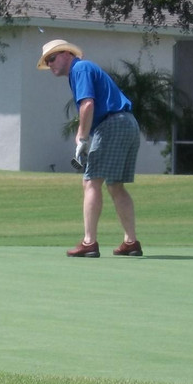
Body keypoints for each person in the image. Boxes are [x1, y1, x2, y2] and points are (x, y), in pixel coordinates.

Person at [38, 39, 143, 258]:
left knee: (91, 181)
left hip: (112, 123)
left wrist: (82, 138)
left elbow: (87, 104)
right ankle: (130, 242)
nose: (50, 64)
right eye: (47, 61)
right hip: (127, 124)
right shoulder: (80, 71)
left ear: (66, 54)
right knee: (115, 185)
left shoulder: (80, 68)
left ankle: (89, 242)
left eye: (52, 58)